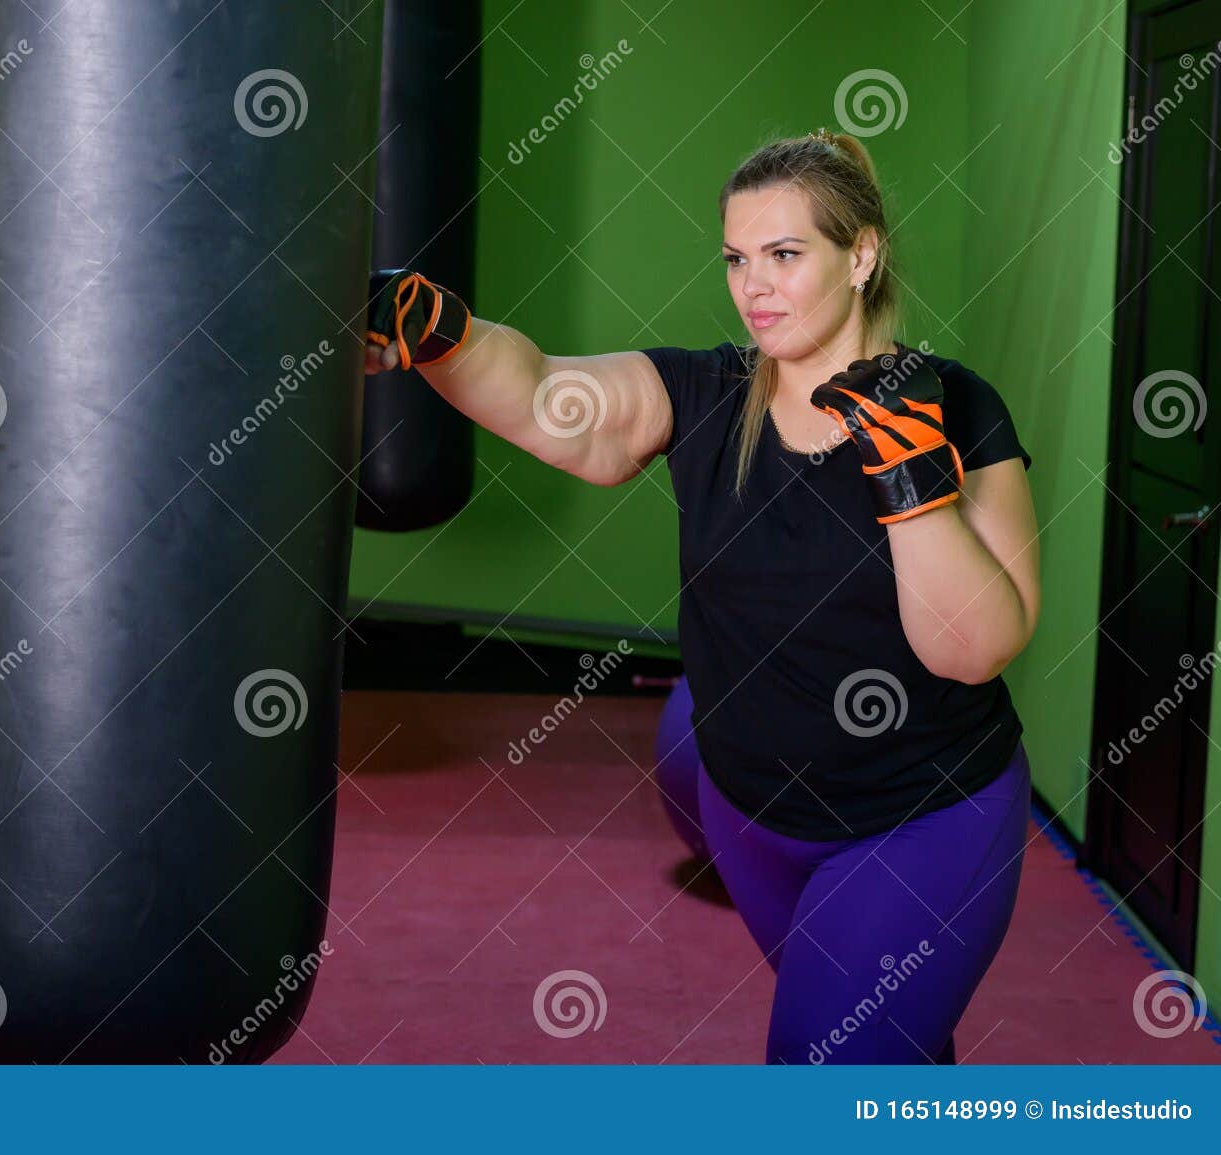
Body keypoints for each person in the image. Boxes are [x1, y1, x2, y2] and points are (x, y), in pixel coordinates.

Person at [364, 127, 1041, 1065]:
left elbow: (976, 647)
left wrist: (914, 486)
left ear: (863, 254)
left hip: (919, 819)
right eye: (736, 258)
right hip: (748, 816)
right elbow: (543, 392)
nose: (753, 284)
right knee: (891, 1062)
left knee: (823, 1069)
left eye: (785, 255)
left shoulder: (959, 407)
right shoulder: (707, 391)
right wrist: (440, 333)